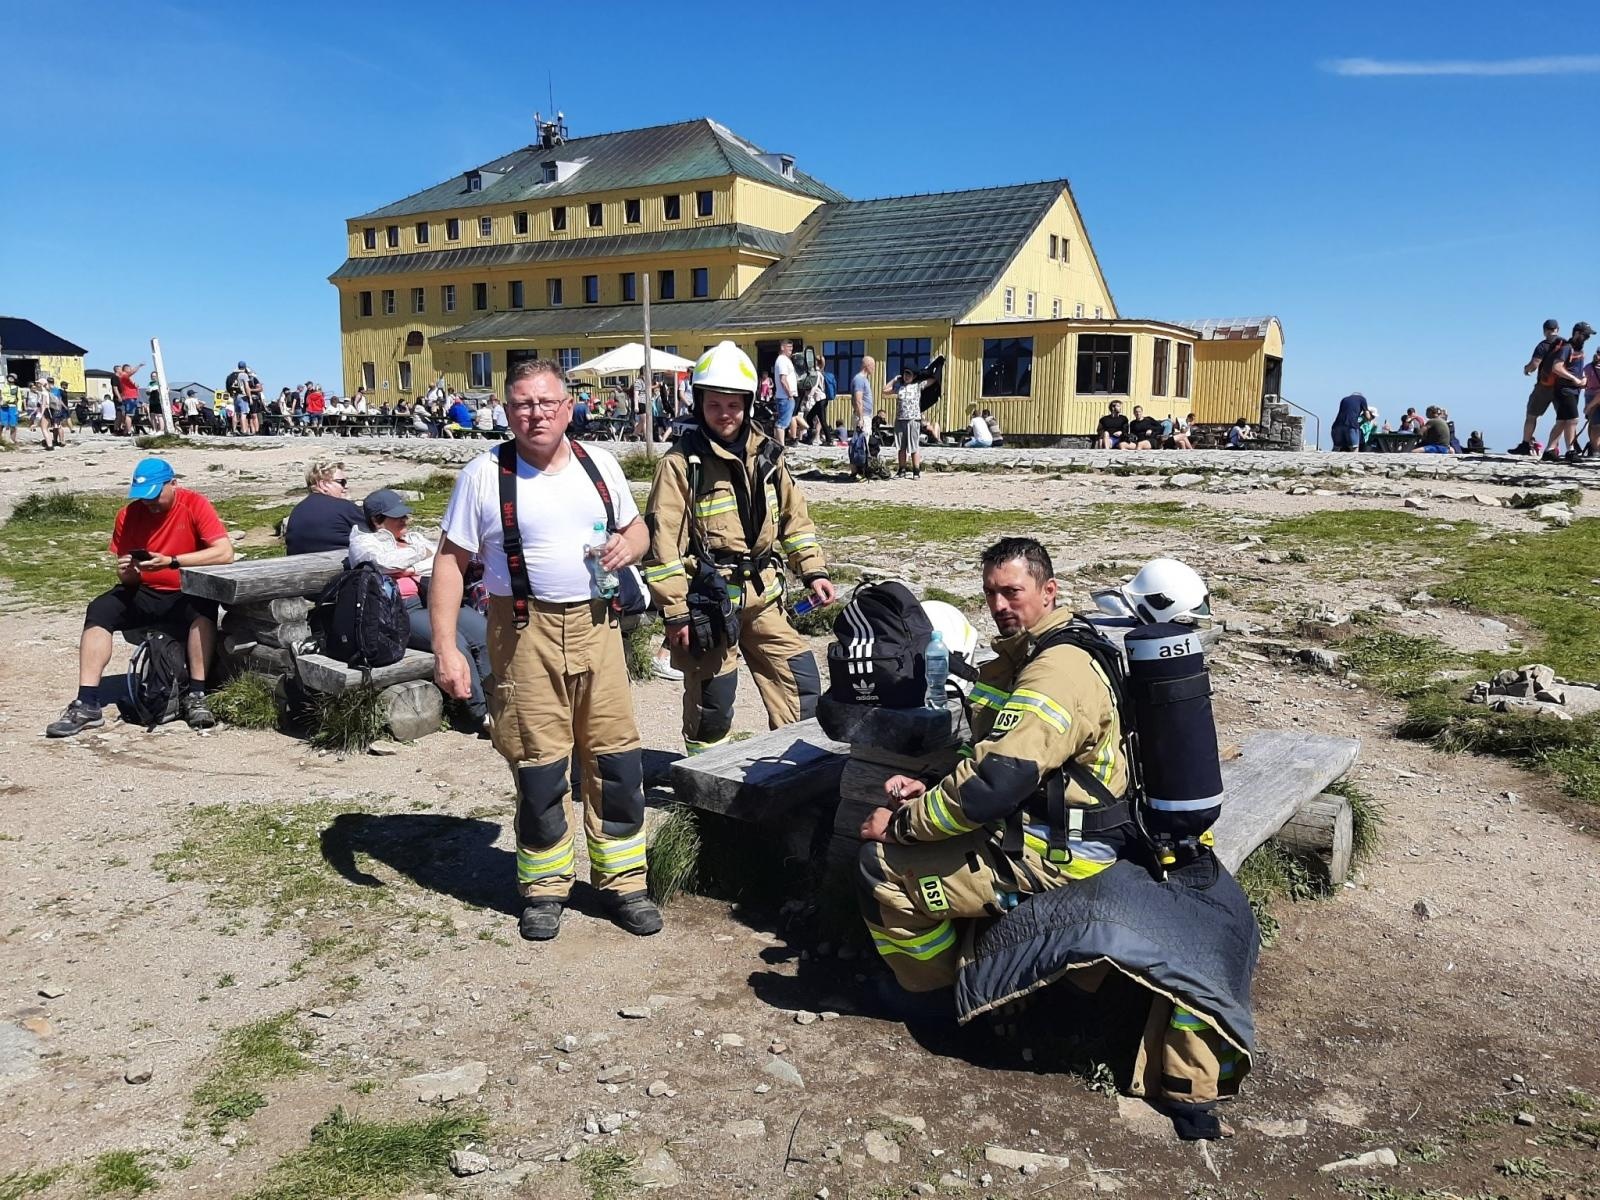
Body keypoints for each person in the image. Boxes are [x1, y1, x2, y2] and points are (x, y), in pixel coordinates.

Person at [430, 357, 660, 942]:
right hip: (522, 630)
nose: (535, 414)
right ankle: (545, 887)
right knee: (539, 764)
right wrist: (446, 649)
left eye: (547, 403)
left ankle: (624, 881)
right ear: (507, 411)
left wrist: (628, 549)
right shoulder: (483, 475)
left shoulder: (599, 463)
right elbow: (450, 564)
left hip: (599, 627)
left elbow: (639, 530)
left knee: (616, 758)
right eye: (523, 404)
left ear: (568, 407)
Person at [856, 537, 1130, 1018]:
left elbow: (993, 783)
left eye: (1013, 592)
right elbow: (988, 754)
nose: (999, 605)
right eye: (990, 593)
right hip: (1048, 824)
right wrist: (934, 784)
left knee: (879, 866)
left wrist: (899, 826)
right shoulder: (1031, 654)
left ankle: (934, 999)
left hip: (1064, 852)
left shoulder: (1055, 672)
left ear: (1049, 591)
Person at [643, 341, 834, 754]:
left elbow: (794, 519)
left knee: (799, 676)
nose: (725, 414)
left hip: (764, 595)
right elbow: (662, 546)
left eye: (733, 404)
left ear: (748, 403)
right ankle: (706, 784)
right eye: (715, 405)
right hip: (710, 604)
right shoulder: (679, 465)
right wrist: (675, 611)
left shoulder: (767, 455)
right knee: (713, 701)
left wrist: (813, 569)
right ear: (700, 404)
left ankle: (798, 767)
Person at [45, 459, 236, 738]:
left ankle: (197, 694)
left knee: (202, 608)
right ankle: (86, 702)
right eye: (144, 497)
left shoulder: (194, 504)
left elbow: (224, 553)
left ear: (173, 484)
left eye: (156, 495)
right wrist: (129, 573)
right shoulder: (127, 515)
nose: (150, 503)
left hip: (186, 590)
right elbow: (127, 578)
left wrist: (172, 562)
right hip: (145, 591)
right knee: (100, 609)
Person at [350, 489, 491, 731]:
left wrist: (410, 567)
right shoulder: (363, 542)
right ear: (377, 520)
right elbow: (383, 562)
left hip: (433, 601)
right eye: (398, 517)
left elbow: (441, 559)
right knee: (454, 643)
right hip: (400, 611)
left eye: (405, 515)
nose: (406, 521)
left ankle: (499, 702)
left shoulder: (413, 538)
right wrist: (418, 558)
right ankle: (480, 713)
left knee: (483, 632)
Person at [283, 458, 364, 554]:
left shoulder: (297, 511)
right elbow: (374, 538)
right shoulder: (345, 507)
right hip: (340, 566)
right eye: (341, 482)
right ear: (323, 484)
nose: (345, 486)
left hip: (297, 566)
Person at [1539, 321, 1592, 462]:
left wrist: (1584, 379)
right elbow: (1557, 367)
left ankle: (1549, 450)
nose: (1587, 338)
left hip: (1574, 390)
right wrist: (1575, 379)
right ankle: (1571, 451)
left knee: (1562, 421)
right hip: (1564, 389)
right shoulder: (1567, 348)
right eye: (1585, 335)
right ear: (1577, 333)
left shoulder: (1579, 350)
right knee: (1573, 420)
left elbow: (1578, 369)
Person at [1512, 318, 1563, 455]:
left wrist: (1526, 369)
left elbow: (1534, 364)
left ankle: (1525, 445)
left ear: (1545, 331)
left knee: (1531, 415)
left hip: (1544, 386)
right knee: (1564, 418)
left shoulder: (1543, 345)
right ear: (1557, 329)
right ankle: (1556, 447)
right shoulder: (1566, 344)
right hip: (1563, 386)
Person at [886, 364, 924, 478]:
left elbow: (932, 379)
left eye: (909, 374)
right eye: (905, 373)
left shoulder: (918, 385)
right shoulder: (899, 387)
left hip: (913, 419)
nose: (906, 376)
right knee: (901, 447)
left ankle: (916, 470)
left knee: (913, 446)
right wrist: (894, 380)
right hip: (900, 419)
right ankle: (902, 469)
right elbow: (884, 390)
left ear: (914, 376)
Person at [772, 339, 798, 447]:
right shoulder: (782, 360)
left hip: (785, 396)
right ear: (782, 347)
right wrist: (789, 394)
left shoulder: (785, 360)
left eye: (791, 348)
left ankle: (779, 445)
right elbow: (783, 379)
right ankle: (781, 446)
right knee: (782, 424)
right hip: (785, 396)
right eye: (788, 347)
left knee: (784, 422)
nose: (791, 350)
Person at [115, 362, 144, 436]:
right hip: (130, 397)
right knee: (129, 415)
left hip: (129, 397)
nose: (130, 369)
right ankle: (129, 431)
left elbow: (132, 384)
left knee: (129, 414)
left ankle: (126, 431)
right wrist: (139, 366)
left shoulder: (126, 378)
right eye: (129, 368)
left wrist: (135, 385)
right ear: (126, 369)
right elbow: (132, 372)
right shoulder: (124, 375)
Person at [852, 356, 875, 431]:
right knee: (862, 441)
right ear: (867, 365)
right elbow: (858, 400)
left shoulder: (865, 379)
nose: (874, 368)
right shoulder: (859, 379)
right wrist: (861, 418)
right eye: (873, 365)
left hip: (866, 416)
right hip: (862, 417)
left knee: (865, 440)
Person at [0, 374, 19, 447]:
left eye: (13, 377)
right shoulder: (2, 387)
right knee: (1, 423)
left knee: (13, 424)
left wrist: (19, 409)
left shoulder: (17, 388)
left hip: (12, 407)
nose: (11, 378)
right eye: (10, 377)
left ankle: (12, 440)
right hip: (3, 407)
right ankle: (1, 440)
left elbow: (19, 399)